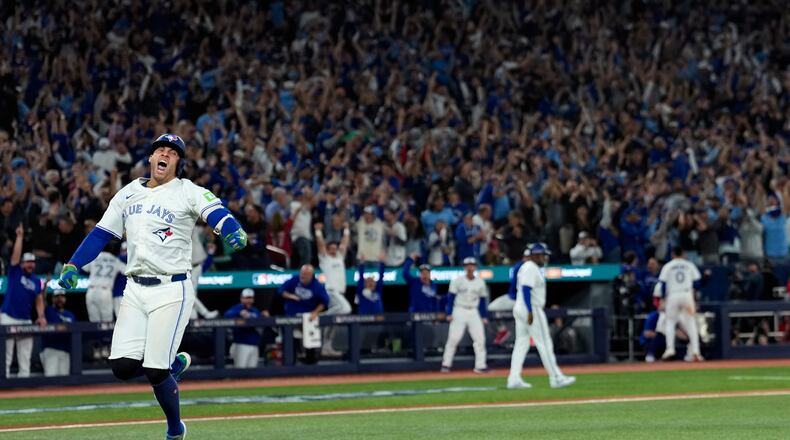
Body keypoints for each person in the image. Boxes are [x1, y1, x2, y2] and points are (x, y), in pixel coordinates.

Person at [58, 133, 248, 440]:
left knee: (156, 371)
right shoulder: (128, 193)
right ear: (150, 158)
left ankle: (175, 428)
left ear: (178, 162)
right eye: (160, 149)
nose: (164, 154)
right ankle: (174, 362)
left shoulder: (187, 190)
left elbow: (215, 211)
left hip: (172, 288)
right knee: (121, 367)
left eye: (171, 153)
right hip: (134, 288)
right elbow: (101, 234)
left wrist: (231, 228)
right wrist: (73, 264)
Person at [507, 243, 576, 389]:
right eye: (543, 255)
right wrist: (530, 310)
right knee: (544, 343)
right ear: (536, 255)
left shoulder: (526, 267)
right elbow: (526, 289)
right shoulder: (531, 267)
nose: (545, 258)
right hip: (531, 308)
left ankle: (513, 378)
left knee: (521, 344)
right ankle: (556, 377)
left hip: (520, 307)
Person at [1, 224, 46, 378]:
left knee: (25, 356)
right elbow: (14, 257)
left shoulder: (36, 281)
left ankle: (24, 386)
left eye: (32, 262)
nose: (30, 264)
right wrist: (19, 237)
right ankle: (4, 385)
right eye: (27, 262)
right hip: (8, 317)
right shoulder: (15, 272)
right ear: (22, 264)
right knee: (5, 356)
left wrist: (41, 316)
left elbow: (39, 299)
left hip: (26, 320)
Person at [441, 257, 489, 373]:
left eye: (472, 265)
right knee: (453, 338)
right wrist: (449, 313)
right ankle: (446, 364)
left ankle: (480, 366)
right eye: (467, 265)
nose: (470, 267)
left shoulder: (480, 282)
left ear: (475, 267)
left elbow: (483, 301)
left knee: (480, 339)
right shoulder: (457, 280)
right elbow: (450, 298)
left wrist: (484, 316)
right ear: (464, 267)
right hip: (459, 310)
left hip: (473, 311)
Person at [656, 246, 704, 362]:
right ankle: (696, 351)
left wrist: (663, 298)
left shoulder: (668, 266)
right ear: (683, 254)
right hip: (686, 294)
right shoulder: (689, 265)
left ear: (672, 254)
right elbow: (697, 282)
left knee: (670, 323)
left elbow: (662, 284)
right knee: (691, 323)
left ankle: (670, 349)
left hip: (673, 295)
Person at [276, 264, 329, 364]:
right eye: (302, 273)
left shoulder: (317, 286)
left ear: (311, 275)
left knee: (310, 342)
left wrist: (315, 312)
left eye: (306, 274)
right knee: (290, 341)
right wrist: (290, 295)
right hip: (291, 316)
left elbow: (325, 301)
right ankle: (290, 364)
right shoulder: (295, 280)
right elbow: (280, 290)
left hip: (308, 317)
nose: (302, 276)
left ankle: (310, 365)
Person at [315, 221, 351, 356]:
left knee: (334, 322)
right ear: (328, 249)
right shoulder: (325, 259)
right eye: (331, 248)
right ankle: (320, 318)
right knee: (346, 309)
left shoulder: (340, 257)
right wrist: (318, 232)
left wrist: (346, 230)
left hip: (340, 293)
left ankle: (327, 346)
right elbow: (320, 246)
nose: (334, 250)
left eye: (335, 248)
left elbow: (345, 244)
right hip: (331, 290)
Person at [488, 249, 528, 345]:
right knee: (491, 308)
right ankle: (502, 330)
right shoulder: (519, 266)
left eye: (529, 258)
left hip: (525, 301)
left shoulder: (534, 269)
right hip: (513, 298)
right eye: (526, 257)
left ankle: (531, 336)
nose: (527, 259)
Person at [84, 247, 125, 322]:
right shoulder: (115, 260)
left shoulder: (95, 257)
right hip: (105, 291)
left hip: (91, 290)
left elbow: (84, 268)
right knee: (107, 322)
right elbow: (125, 270)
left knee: (94, 322)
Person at [40, 289, 75, 376]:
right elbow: (41, 300)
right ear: (52, 299)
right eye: (57, 297)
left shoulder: (70, 315)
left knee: (64, 381)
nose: (60, 299)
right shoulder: (49, 310)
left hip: (65, 351)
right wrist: (45, 285)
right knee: (51, 379)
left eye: (62, 296)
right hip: (51, 349)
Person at [224, 288, 262, 368]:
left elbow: (260, 319)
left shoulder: (254, 310)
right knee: (239, 370)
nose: (248, 300)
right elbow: (226, 315)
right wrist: (239, 313)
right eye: (246, 298)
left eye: (250, 298)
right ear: (242, 298)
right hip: (241, 344)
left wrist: (249, 316)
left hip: (254, 345)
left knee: (253, 372)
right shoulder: (237, 308)